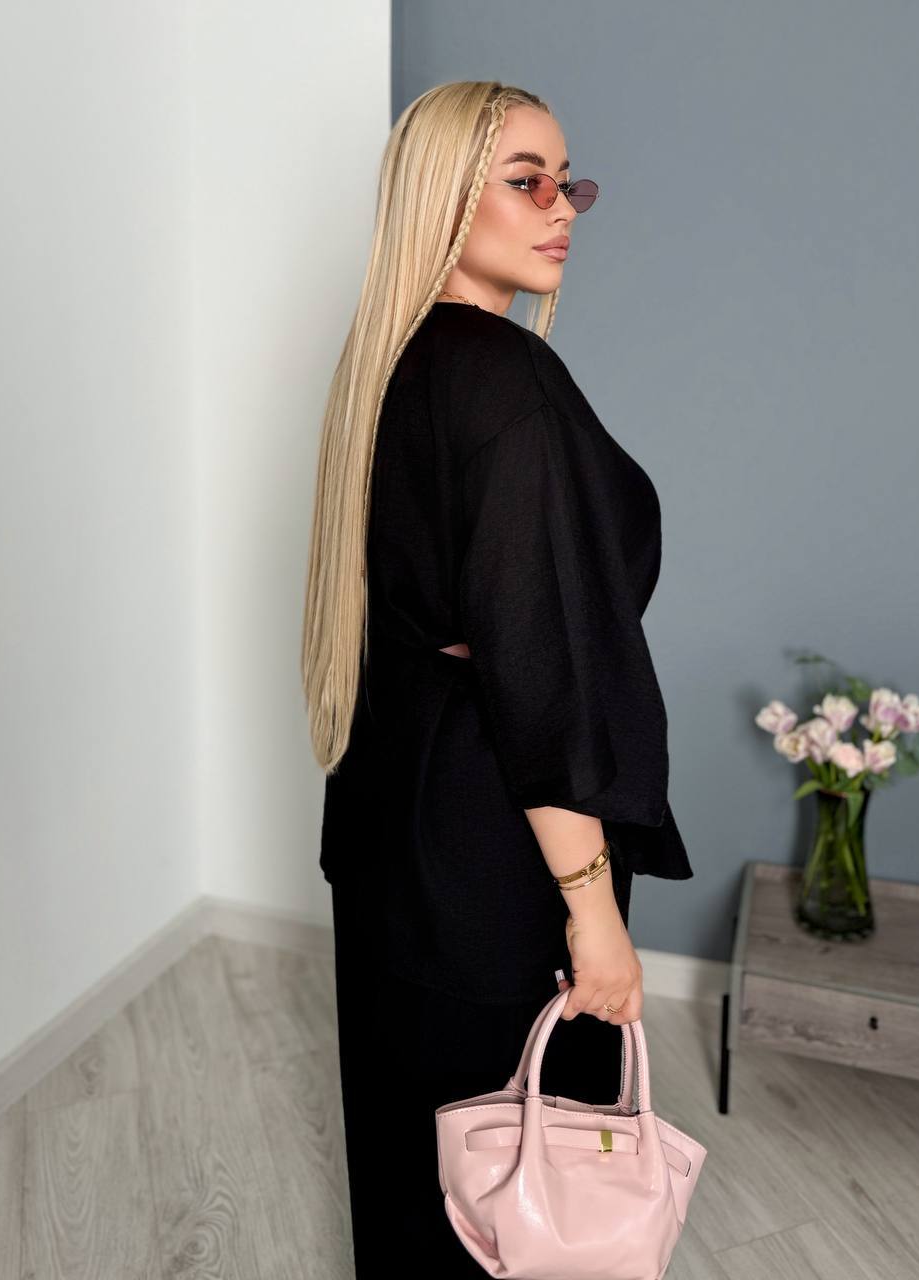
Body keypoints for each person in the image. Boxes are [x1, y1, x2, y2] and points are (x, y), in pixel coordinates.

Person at [300, 80, 693, 1278]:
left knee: (414, 1166)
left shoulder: (392, 362)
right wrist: (592, 910)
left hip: (391, 832)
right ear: (442, 195)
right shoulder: (505, 384)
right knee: (517, 1187)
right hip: (492, 860)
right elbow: (540, 671)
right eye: (526, 180)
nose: (560, 207)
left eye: (566, 183)